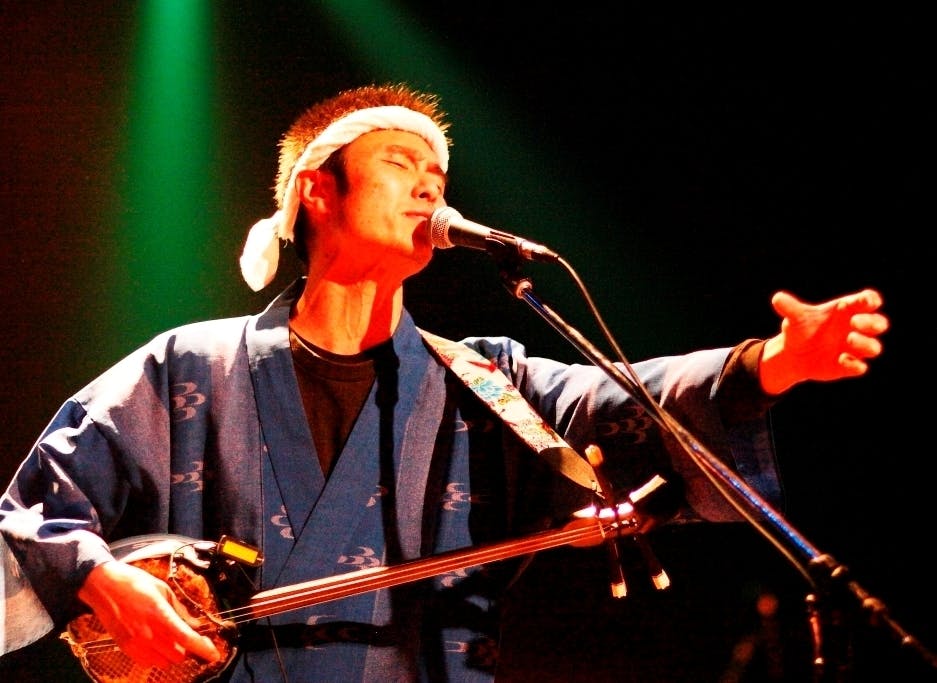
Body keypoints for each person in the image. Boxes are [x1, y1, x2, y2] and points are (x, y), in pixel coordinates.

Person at [0, 82, 888, 682]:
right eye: (400, 165)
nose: (429, 188)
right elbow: (33, 512)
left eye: (438, 175)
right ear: (316, 190)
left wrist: (774, 362)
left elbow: (613, 403)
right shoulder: (189, 366)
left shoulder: (480, 377)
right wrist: (103, 581)